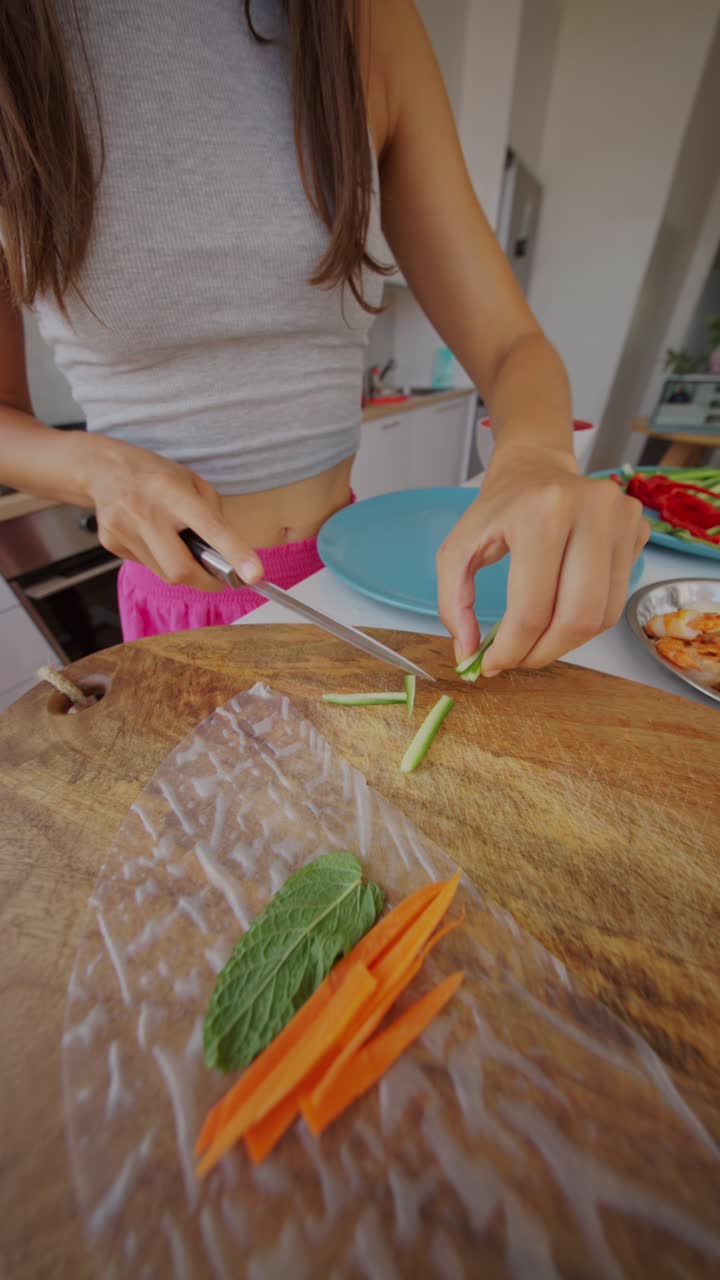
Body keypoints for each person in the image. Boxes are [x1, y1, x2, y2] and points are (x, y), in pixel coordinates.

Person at [0, 0, 647, 674]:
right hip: (182, 613)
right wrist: (96, 470)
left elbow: (514, 343)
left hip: (351, 583)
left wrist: (537, 455)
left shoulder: (366, 19)